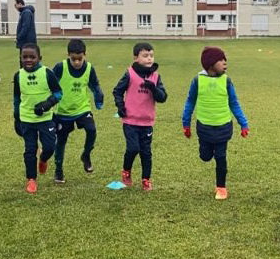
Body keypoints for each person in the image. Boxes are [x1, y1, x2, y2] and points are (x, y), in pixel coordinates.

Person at [181, 47, 250, 200]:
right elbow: (190, 101)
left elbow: (234, 103)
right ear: (210, 64)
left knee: (221, 157)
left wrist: (243, 124)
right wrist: (186, 123)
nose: (225, 63)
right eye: (221, 60)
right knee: (205, 156)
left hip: (223, 126)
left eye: (225, 59)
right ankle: (206, 151)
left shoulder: (227, 81)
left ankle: (221, 188)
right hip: (204, 127)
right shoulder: (198, 80)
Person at [47, 39, 105, 182]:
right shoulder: (60, 67)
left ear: (85, 55)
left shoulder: (90, 68)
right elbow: (50, 84)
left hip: (82, 109)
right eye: (74, 59)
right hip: (63, 112)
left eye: (80, 59)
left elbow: (94, 85)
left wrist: (99, 97)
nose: (77, 62)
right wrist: (46, 102)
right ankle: (58, 170)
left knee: (91, 130)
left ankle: (86, 155)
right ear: (68, 55)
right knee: (61, 141)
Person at [113, 42, 168, 191]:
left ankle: (146, 179)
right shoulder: (129, 73)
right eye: (145, 56)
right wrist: (120, 106)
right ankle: (126, 171)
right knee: (133, 148)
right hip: (130, 121)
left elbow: (163, 97)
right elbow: (117, 91)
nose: (149, 58)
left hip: (147, 122)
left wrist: (154, 89)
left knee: (146, 152)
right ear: (136, 57)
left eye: (151, 55)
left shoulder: (156, 76)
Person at [12, 43, 63, 194]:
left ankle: (43, 159)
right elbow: (16, 97)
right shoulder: (18, 75)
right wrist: (16, 117)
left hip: (45, 119)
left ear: (39, 58)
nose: (28, 60)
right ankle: (31, 179)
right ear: (20, 58)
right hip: (26, 119)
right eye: (25, 57)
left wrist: (47, 104)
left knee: (49, 147)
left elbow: (59, 93)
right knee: (29, 150)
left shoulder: (47, 73)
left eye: (32, 57)